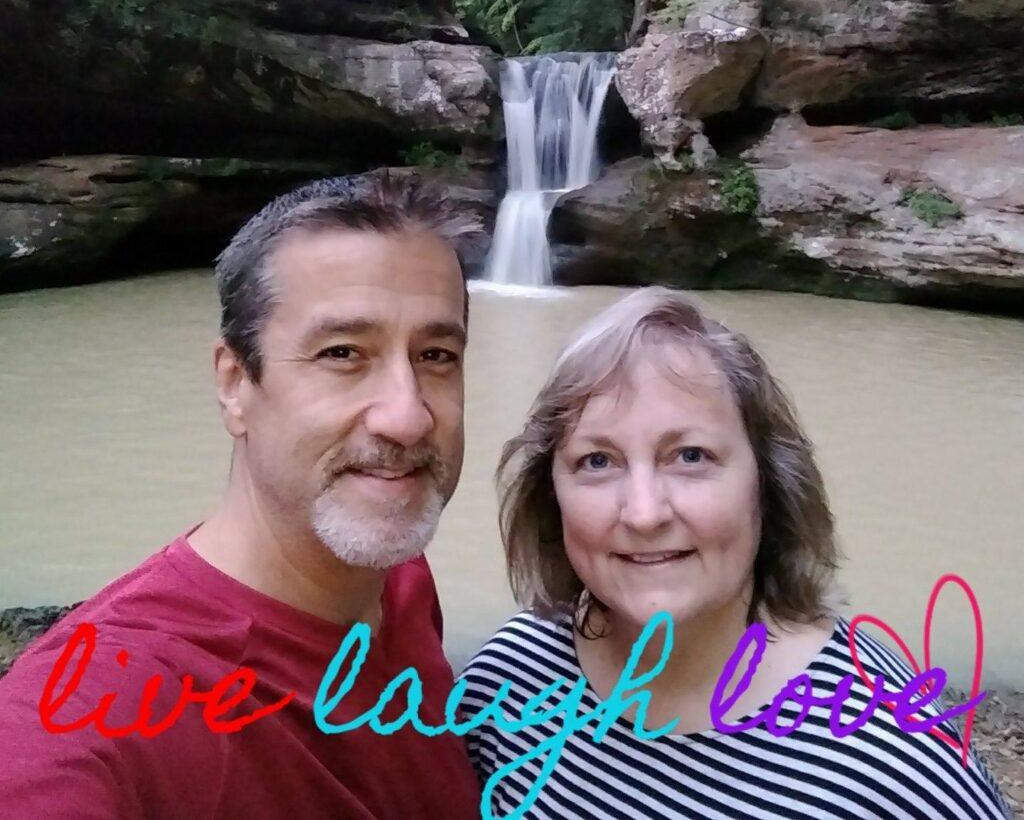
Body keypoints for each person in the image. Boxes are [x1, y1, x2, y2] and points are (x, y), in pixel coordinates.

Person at [0, 172, 483, 819]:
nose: (408, 416)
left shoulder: (396, 580)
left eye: (436, 356)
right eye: (343, 353)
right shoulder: (90, 709)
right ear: (234, 384)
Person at [460, 287, 1011, 820]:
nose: (644, 512)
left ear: (767, 483)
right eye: (598, 462)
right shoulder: (508, 683)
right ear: (550, 497)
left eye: (690, 455)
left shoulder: (897, 765)